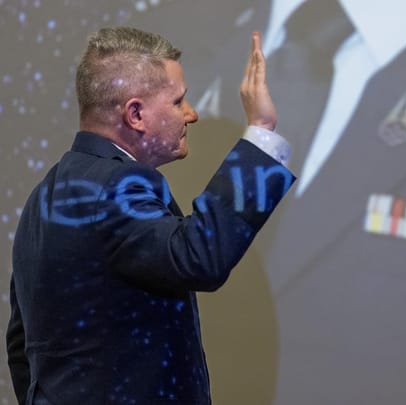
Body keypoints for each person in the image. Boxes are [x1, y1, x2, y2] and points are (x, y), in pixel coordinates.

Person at [6, 27, 294, 404]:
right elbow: (198, 256)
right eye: (178, 101)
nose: (191, 115)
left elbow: (21, 344)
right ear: (136, 113)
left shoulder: (42, 197)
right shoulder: (115, 186)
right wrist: (261, 132)